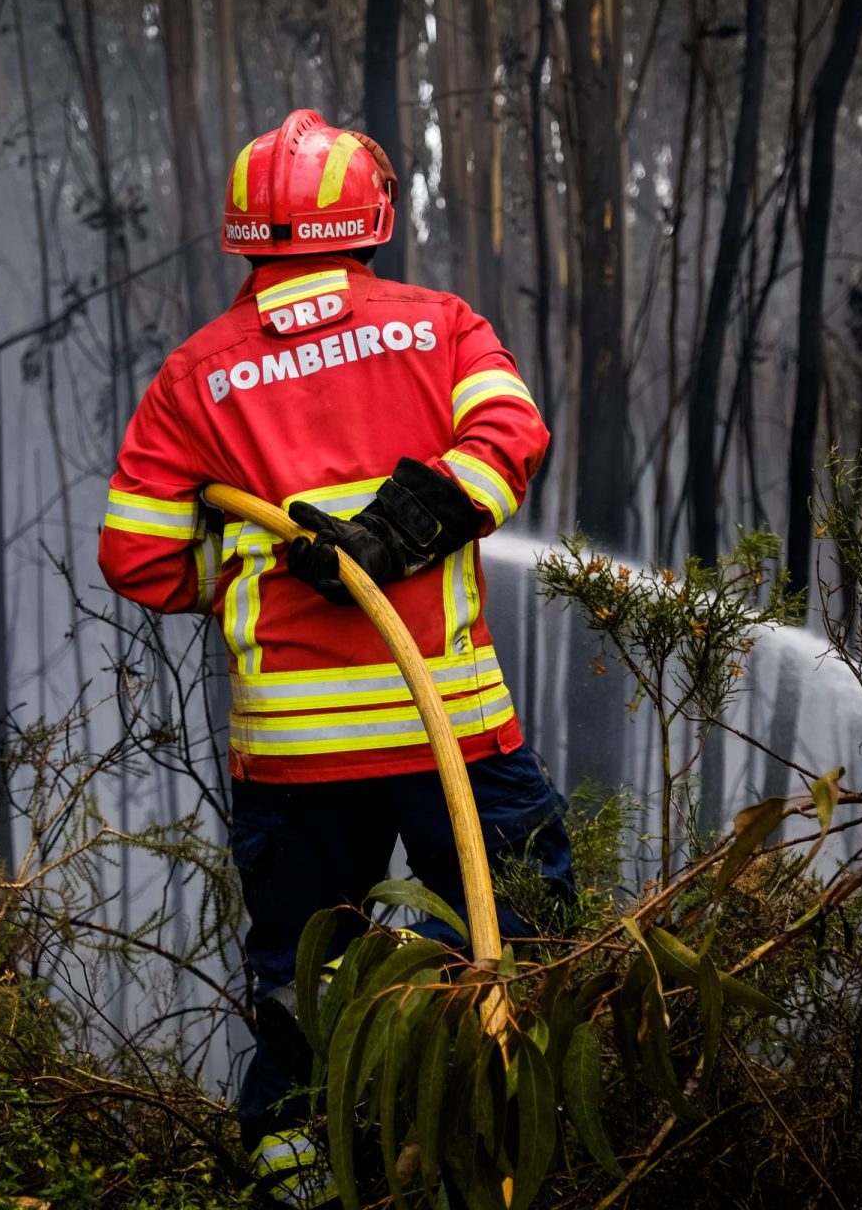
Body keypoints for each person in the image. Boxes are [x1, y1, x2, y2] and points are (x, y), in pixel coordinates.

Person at [96, 108, 573, 1208]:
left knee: (306, 973)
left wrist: (262, 568)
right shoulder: (439, 325)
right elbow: (511, 441)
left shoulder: (194, 376)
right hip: (451, 729)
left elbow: (140, 557)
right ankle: (513, 1147)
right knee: (526, 947)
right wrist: (410, 524)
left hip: (296, 755)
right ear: (373, 218)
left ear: (246, 234)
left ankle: (295, 1167)